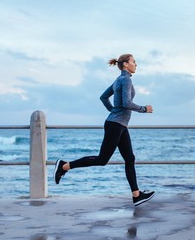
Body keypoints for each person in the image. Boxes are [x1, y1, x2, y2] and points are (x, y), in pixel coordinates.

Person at [53, 54, 155, 206]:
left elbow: (103, 97)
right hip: (116, 125)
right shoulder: (126, 79)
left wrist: (113, 111)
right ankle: (63, 166)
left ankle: (136, 195)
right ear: (126, 64)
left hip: (119, 125)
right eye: (134, 62)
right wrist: (143, 109)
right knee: (102, 160)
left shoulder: (118, 80)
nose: (136, 64)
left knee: (130, 158)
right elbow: (127, 103)